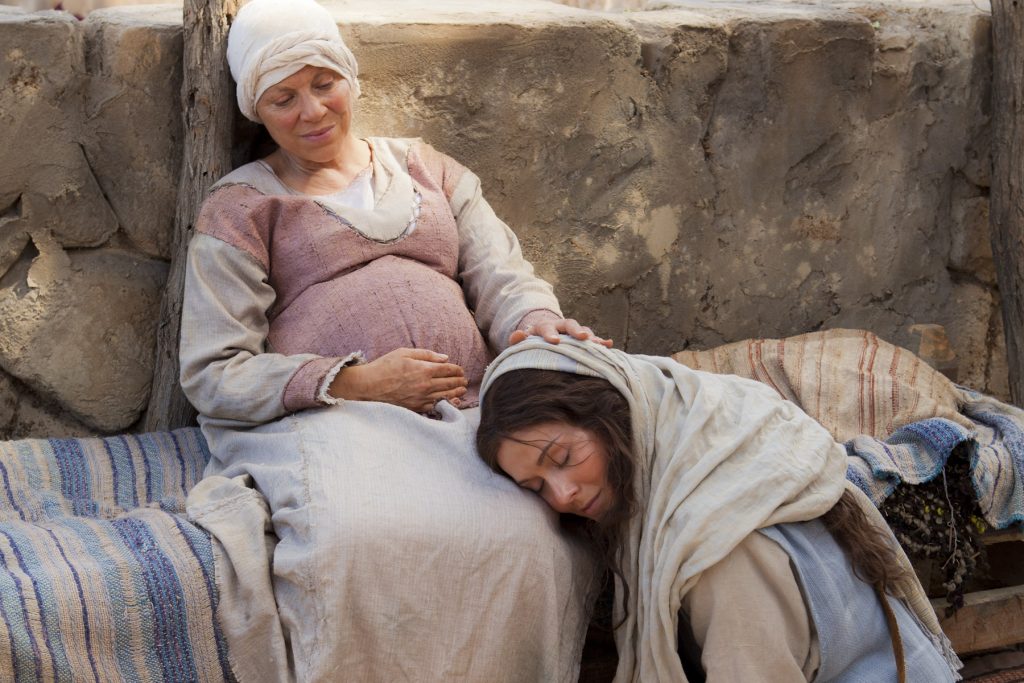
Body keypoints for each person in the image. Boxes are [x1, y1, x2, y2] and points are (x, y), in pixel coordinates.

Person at [178, 0, 608, 680]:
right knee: (360, 537)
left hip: (466, 412)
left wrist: (535, 321)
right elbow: (214, 370)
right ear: (256, 110)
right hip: (335, 423)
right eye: (284, 99)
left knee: (530, 536)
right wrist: (357, 381)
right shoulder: (242, 208)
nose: (312, 111)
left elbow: (501, 275)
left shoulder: (426, 169)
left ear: (350, 78)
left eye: (324, 84)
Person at [476, 337, 964, 682]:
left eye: (563, 458)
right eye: (535, 486)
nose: (562, 496)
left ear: (612, 415)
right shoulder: (703, 460)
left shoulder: (721, 550)